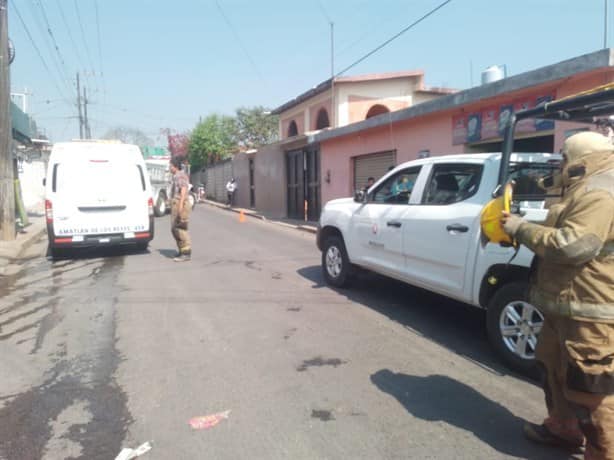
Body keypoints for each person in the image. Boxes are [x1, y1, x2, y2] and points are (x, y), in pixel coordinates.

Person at [501, 131, 614, 458]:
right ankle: (563, 429)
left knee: (591, 391)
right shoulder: (583, 189)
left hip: (591, 312)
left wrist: (521, 229)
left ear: (582, 161)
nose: (560, 165)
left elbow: (574, 245)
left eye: (564, 158)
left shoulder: (600, 192)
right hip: (564, 306)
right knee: (552, 368)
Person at [169, 156, 191, 262]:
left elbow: (183, 190)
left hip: (180, 203)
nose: (169, 167)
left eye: (170, 165)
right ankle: (182, 250)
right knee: (174, 229)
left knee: (180, 228)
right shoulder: (176, 176)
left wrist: (180, 206)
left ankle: (186, 253)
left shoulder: (180, 175)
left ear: (175, 166)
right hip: (177, 202)